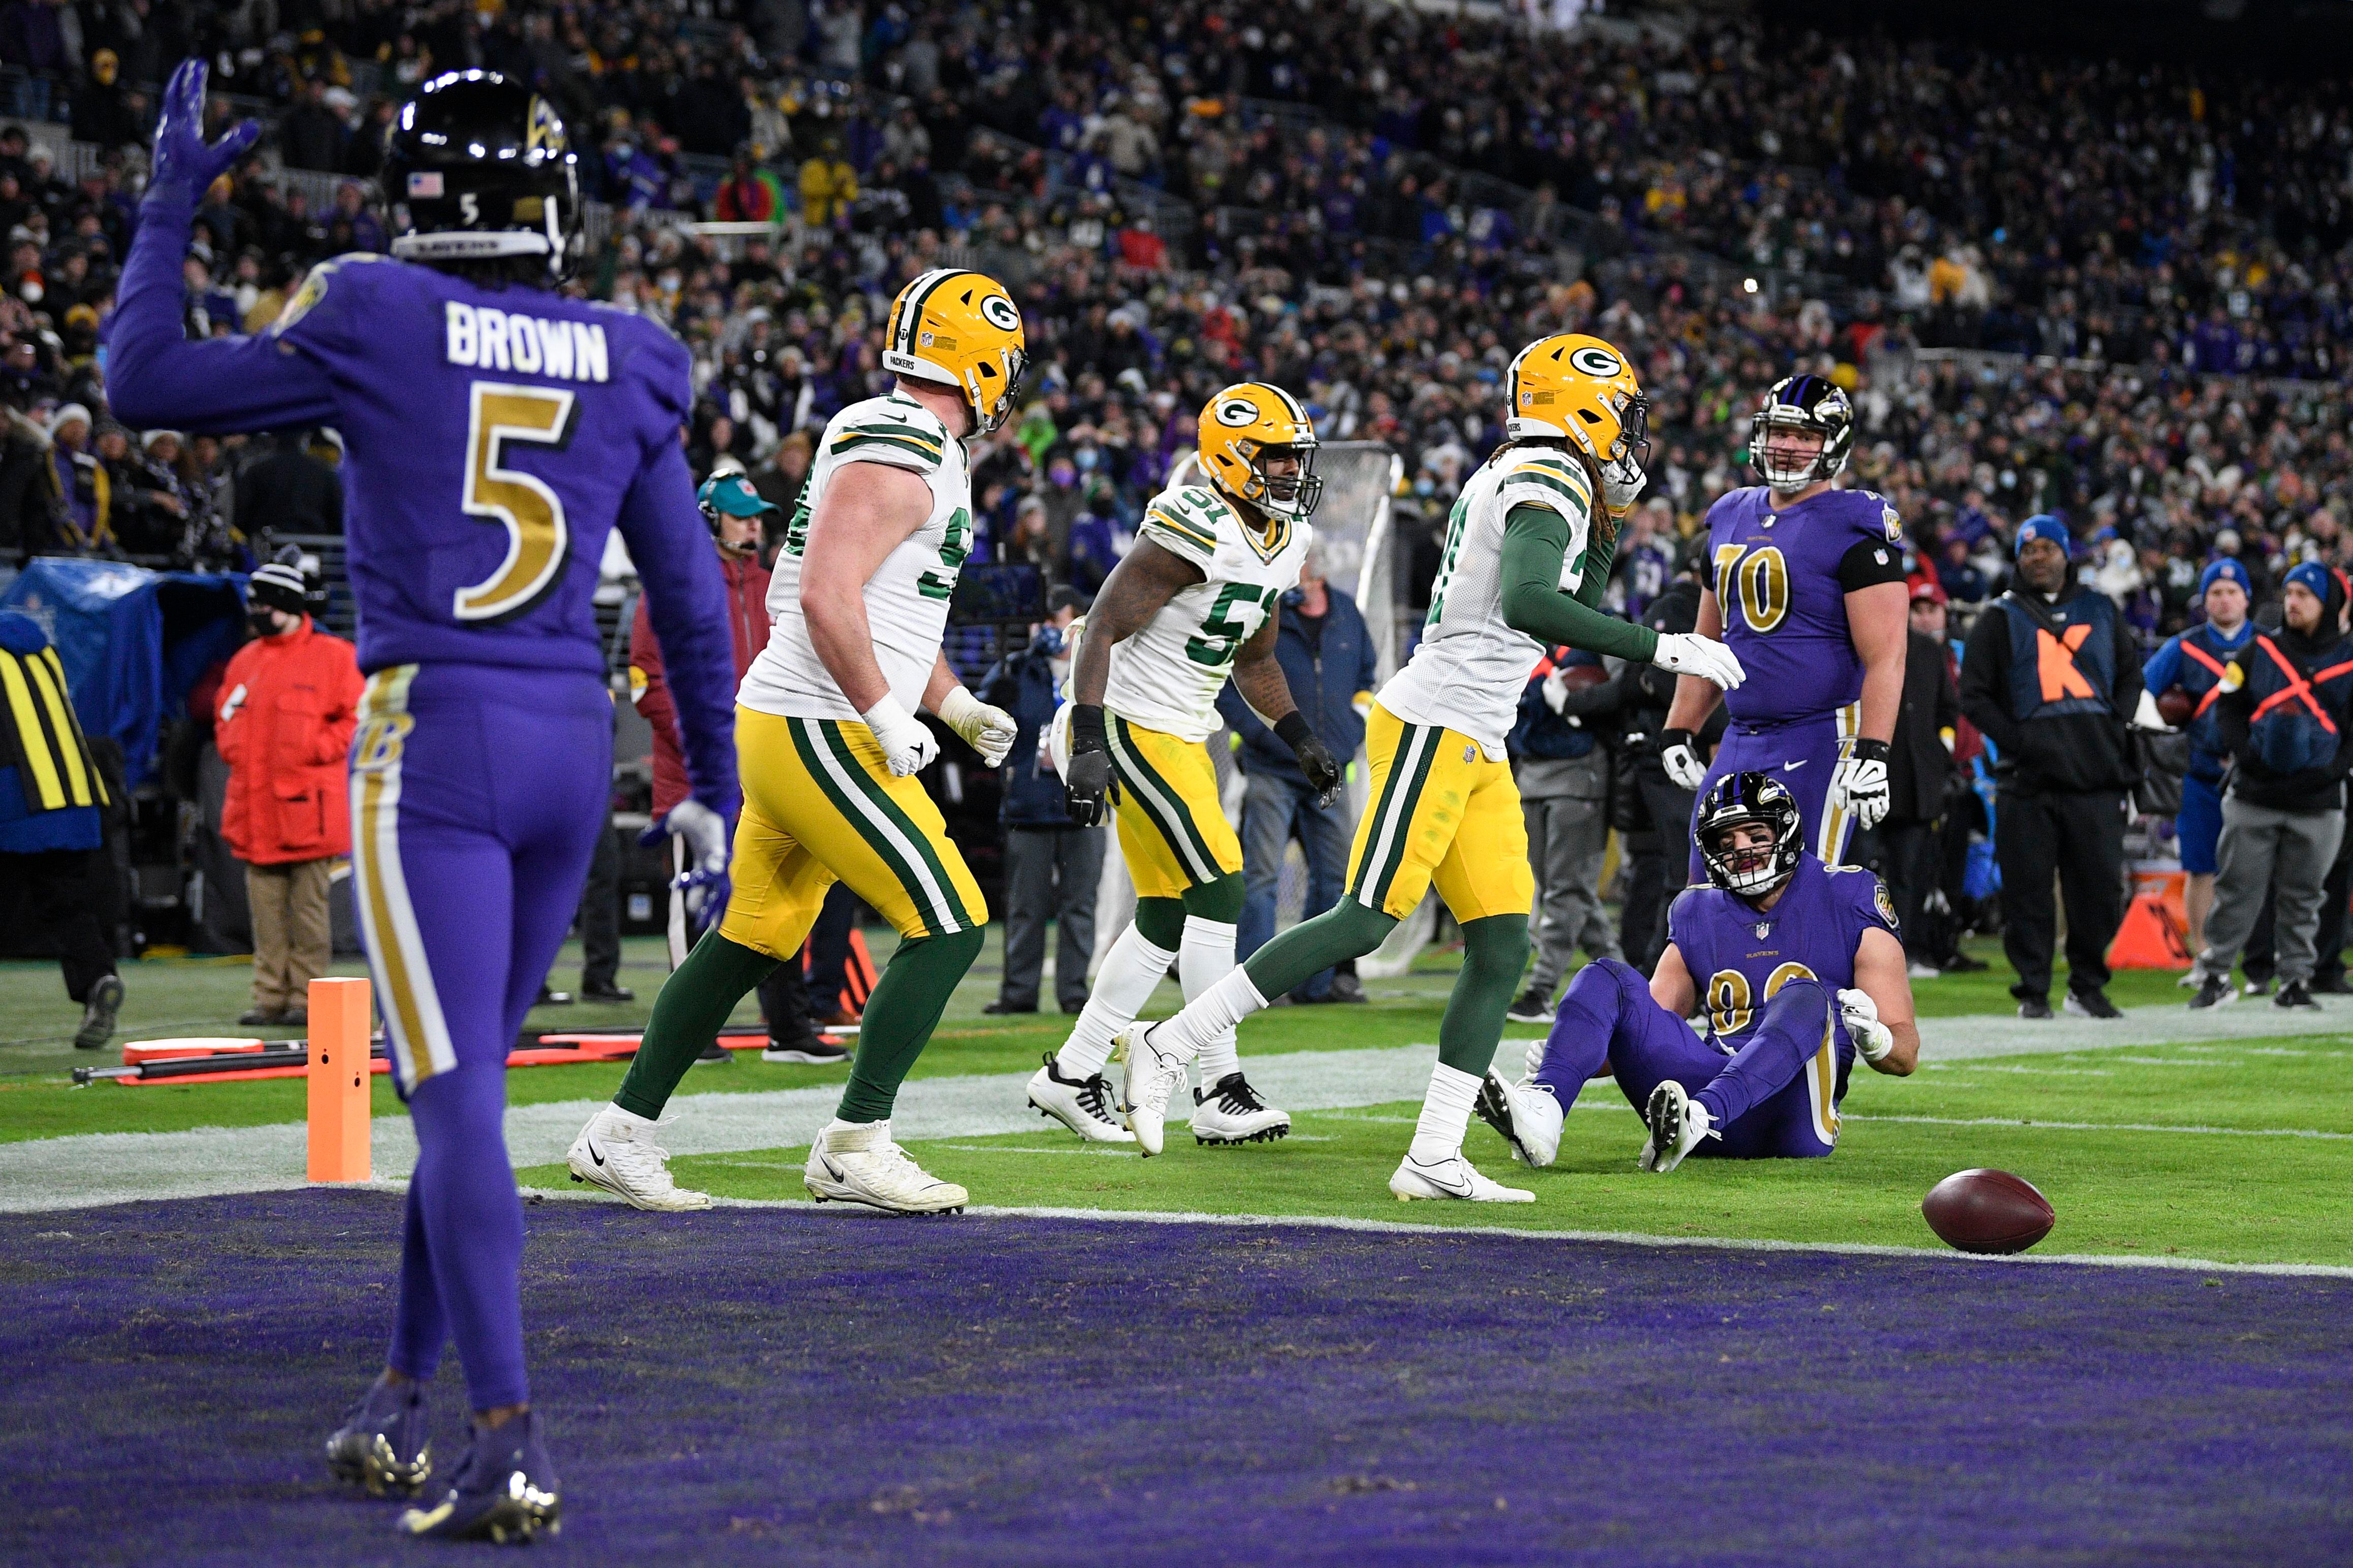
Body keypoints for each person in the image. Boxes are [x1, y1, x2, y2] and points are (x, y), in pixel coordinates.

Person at [108, 65, 742, 1541]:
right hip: (568, 743)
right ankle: (398, 1394)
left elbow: (143, 380)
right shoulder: (627, 351)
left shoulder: (376, 309)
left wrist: (162, 206)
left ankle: (506, 1442)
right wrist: (706, 779)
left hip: (434, 737)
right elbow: (689, 594)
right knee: (464, 1083)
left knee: (451, 1098)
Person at [1110, 335, 1742, 1201]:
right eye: (1622, 412)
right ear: (1583, 404)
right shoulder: (1544, 473)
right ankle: (1170, 1039)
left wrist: (1611, 522)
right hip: (1434, 721)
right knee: (1366, 917)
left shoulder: (1547, 475)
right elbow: (1528, 603)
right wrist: (1663, 645)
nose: (1631, 433)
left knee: (1500, 941)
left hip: (1477, 731)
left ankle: (1434, 1151)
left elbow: (1562, 613)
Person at [568, 265, 1027, 1216]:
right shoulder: (896, 440)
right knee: (948, 921)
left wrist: (949, 703)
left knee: (752, 936)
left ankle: (618, 1133)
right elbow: (823, 593)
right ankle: (855, 1141)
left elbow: (887, 609)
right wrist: (883, 712)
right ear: (978, 356)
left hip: (802, 718)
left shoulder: (913, 443)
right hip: (820, 722)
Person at [1037, 383, 1340, 1150]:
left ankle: (1071, 1074)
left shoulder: (1286, 538)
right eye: (1276, 458)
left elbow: (1256, 657)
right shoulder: (1192, 522)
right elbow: (1098, 627)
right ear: (1232, 455)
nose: (1289, 473)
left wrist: (1298, 732)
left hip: (1184, 732)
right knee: (1224, 884)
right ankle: (1215, 1081)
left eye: (1295, 458)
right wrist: (1086, 738)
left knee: (1169, 914)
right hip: (1129, 724)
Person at [1476, 771, 1917, 1172]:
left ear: (1785, 832)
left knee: (1805, 995)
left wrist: (1875, 1040)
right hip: (1694, 1101)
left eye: (1755, 834)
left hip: (1791, 1118)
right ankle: (1544, 1112)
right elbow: (1643, 1029)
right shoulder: (1695, 909)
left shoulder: (1848, 893)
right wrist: (1573, 1054)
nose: (1741, 849)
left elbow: (1904, 1055)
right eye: (1726, 842)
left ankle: (1701, 1117)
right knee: (1605, 977)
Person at [623, 471, 849, 1063]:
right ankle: (687, 1033)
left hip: (765, 772)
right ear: (708, 518)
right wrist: (713, 744)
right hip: (695, 780)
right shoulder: (673, 585)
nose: (753, 523)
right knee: (695, 904)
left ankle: (788, 1028)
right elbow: (648, 683)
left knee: (774, 901)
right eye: (739, 514)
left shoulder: (775, 585)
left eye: (756, 515)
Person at [1661, 376, 1911, 869]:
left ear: (1833, 444)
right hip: (1740, 734)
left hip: (1822, 733)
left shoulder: (1854, 523)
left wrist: (1873, 750)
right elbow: (1708, 641)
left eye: (1805, 436)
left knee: (1799, 894)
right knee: (1708, 887)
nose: (1789, 446)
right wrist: (1679, 727)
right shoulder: (1729, 514)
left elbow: (1886, 655)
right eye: (1780, 432)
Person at [1958, 515, 2143, 1021]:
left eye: (2046, 548)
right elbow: (1972, 694)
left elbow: (2131, 676)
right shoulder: (1999, 617)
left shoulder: (2101, 609)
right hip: (2027, 781)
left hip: (2096, 778)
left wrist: (2112, 726)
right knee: (2028, 890)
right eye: (2028, 549)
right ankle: (2034, 989)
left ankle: (2087, 984)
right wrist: (2020, 740)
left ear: (2066, 553)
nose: (2037, 557)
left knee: (2100, 889)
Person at [1216, 541, 1378, 1005]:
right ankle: (1256, 983)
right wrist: (1264, 735)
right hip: (1272, 767)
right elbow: (1230, 683)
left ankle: (1318, 982)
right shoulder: (1263, 611)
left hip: (1331, 768)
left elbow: (1366, 676)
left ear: (1316, 575)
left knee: (1335, 877)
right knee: (1262, 876)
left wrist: (1350, 732)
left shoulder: (1346, 612)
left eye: (1299, 568)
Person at [2188, 563, 2353, 1012]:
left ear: (2328, 604)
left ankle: (2294, 980)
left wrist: (2336, 768)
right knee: (2237, 889)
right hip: (2254, 795)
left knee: (2304, 897)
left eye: (2304, 594)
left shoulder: (2349, 658)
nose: (2293, 603)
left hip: (2319, 800)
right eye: (2289, 592)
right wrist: (2246, 755)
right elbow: (2228, 704)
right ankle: (2216, 971)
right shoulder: (2256, 650)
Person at [214, 560, 363, 1027]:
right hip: (257, 810)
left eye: (263, 604)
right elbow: (226, 717)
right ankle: (270, 998)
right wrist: (235, 747)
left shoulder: (335, 657)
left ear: (286, 606)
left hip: (307, 810)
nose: (255, 612)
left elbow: (358, 718)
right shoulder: (246, 660)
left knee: (308, 913)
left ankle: (306, 999)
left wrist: (315, 749)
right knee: (267, 916)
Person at [0, 609, 121, 1049]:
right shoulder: (40, 647)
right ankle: (97, 980)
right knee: (67, 906)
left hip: (16, 800)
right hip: (74, 796)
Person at [979, 585, 1103, 1017]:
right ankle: (1018, 992)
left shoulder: (1097, 671)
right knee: (1025, 905)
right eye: (1044, 622)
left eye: (1056, 621)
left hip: (1082, 802)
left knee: (1079, 904)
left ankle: (1073, 991)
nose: (1049, 631)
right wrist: (1002, 685)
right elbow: (982, 717)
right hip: (1028, 804)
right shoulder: (1017, 670)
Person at [2139, 559, 2255, 964]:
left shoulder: (2266, 645)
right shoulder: (2184, 646)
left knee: (2255, 868)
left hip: (2255, 773)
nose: (2224, 601)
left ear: (2246, 597)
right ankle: (2204, 950)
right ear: (2204, 601)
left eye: (2230, 592)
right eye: (2215, 594)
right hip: (2201, 771)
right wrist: (2166, 735)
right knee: (2200, 864)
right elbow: (2141, 691)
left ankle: (2256, 950)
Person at [1504, 643, 1624, 1024]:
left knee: (1565, 889)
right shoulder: (1523, 628)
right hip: (1531, 772)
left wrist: (1579, 704)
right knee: (1569, 891)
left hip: (1579, 771)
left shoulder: (1601, 630)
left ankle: (1541, 990)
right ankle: (1627, 984)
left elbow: (1623, 691)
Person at [1878, 580, 1963, 974]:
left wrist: (1940, 750)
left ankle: (1905, 952)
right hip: (1870, 779)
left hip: (1915, 784)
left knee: (1909, 875)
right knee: (1858, 869)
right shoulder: (1861, 645)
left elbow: (1948, 711)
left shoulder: (1929, 652)